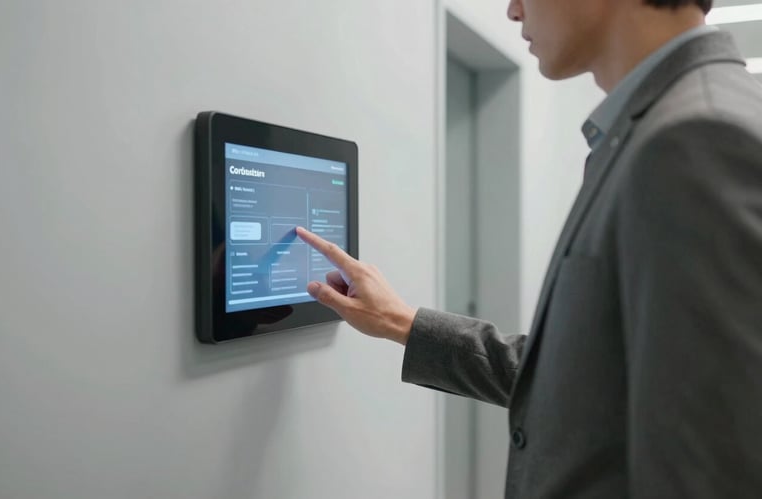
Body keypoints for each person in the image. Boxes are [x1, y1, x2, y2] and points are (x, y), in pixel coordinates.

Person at [297, 0, 762, 495]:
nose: (513, 10)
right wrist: (403, 324)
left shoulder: (696, 139)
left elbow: (714, 469)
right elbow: (588, 384)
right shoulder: (655, 131)